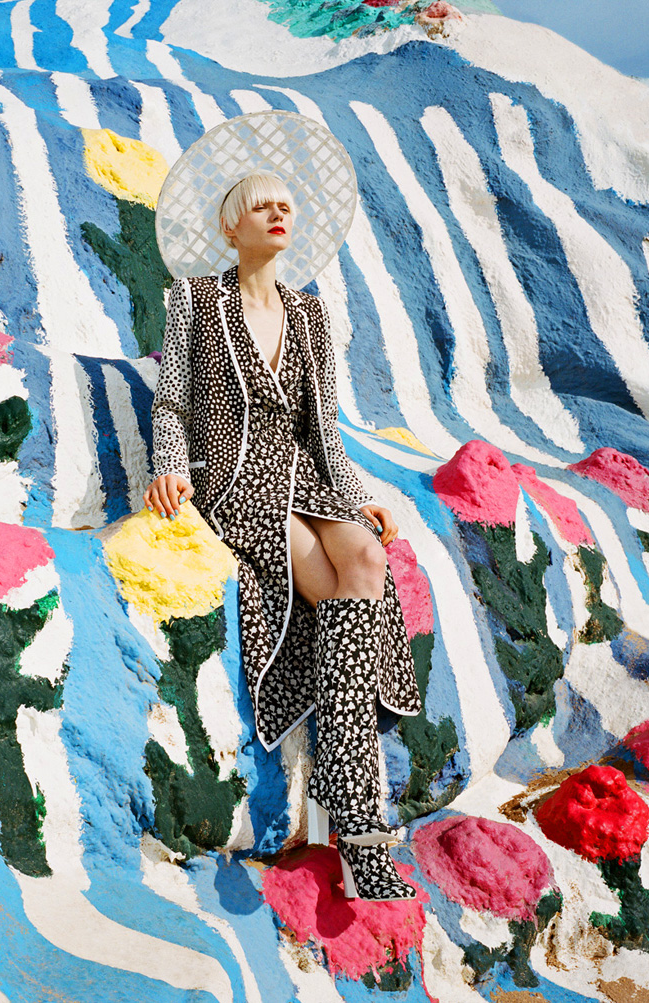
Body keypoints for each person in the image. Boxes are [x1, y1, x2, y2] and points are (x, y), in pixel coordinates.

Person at [145, 162, 421, 901]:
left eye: (286, 205)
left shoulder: (310, 315)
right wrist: (170, 464)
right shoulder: (195, 302)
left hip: (304, 472)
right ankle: (361, 821)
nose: (276, 214)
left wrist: (357, 498)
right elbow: (171, 402)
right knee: (330, 582)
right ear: (229, 226)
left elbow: (322, 429)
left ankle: (341, 769)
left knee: (365, 555)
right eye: (260, 206)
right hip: (238, 478)